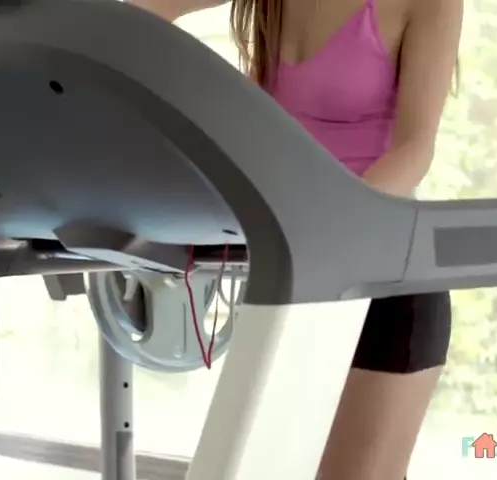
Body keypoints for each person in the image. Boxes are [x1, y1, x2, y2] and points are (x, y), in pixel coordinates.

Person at [131, 0, 464, 478]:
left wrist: (326, 227)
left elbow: (415, 149)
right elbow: (142, 13)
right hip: (292, 279)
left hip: (384, 282)